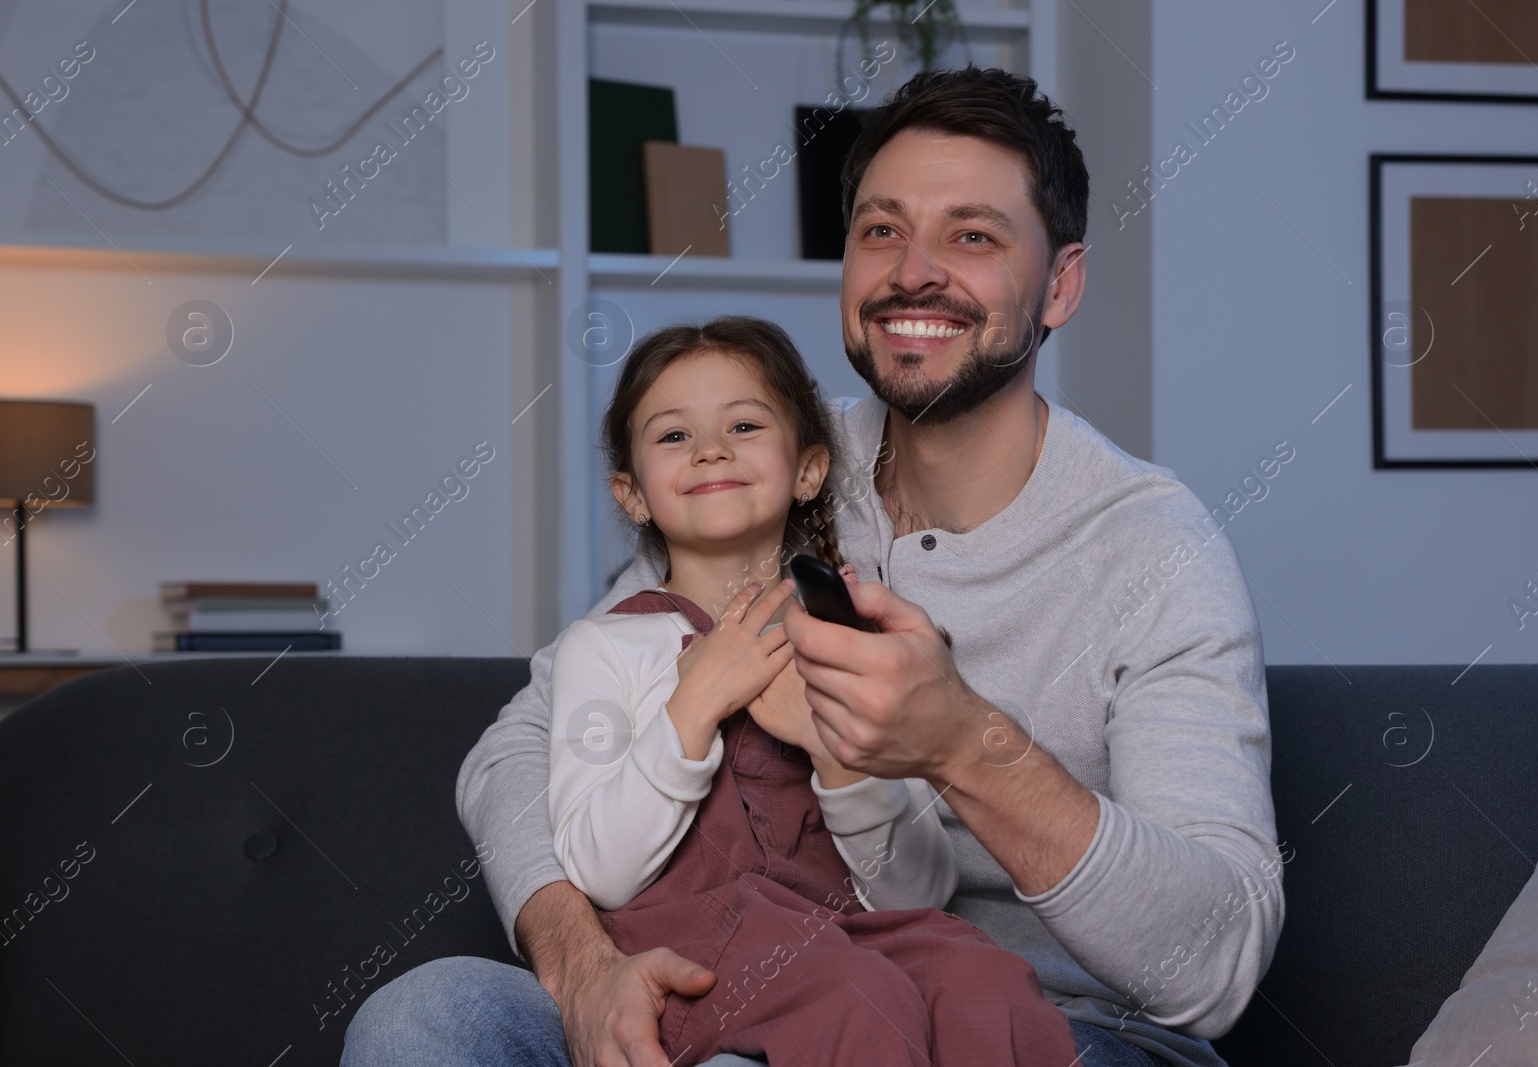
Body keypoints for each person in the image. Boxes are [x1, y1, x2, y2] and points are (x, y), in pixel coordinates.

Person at [343, 65, 1283, 1067]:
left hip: (1062, 1027)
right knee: (425, 1018)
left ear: (1060, 283)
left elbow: (1212, 960)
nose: (911, 271)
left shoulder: (1153, 548)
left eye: (972, 235)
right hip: (771, 986)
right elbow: (514, 751)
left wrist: (964, 745)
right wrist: (581, 962)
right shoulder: (774, 462)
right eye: (881, 230)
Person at [546, 315, 1080, 1066]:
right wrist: (694, 705)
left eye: (743, 424)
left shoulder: (848, 640)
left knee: (981, 977)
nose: (710, 449)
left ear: (807, 470)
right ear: (632, 495)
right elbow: (597, 867)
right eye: (673, 436)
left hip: (842, 932)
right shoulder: (604, 647)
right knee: (852, 993)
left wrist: (837, 755)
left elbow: (917, 892)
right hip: (690, 947)